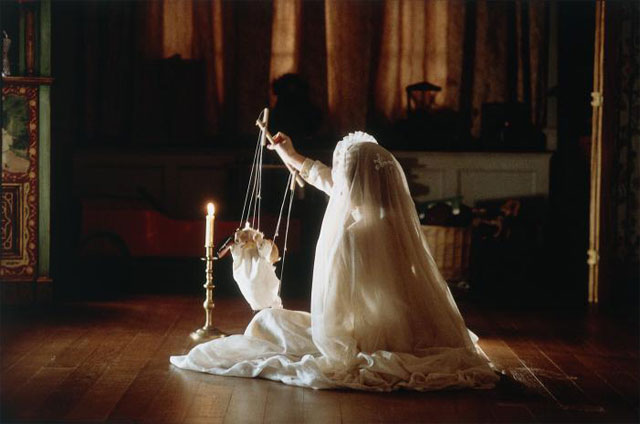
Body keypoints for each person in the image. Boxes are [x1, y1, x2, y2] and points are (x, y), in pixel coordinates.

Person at [170, 131, 499, 391]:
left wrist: (324, 334)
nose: (338, 184)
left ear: (351, 184)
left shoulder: (352, 233)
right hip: (404, 324)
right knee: (276, 323)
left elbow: (336, 312)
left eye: (344, 178)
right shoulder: (391, 219)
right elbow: (331, 182)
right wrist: (291, 155)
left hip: (361, 333)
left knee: (267, 322)